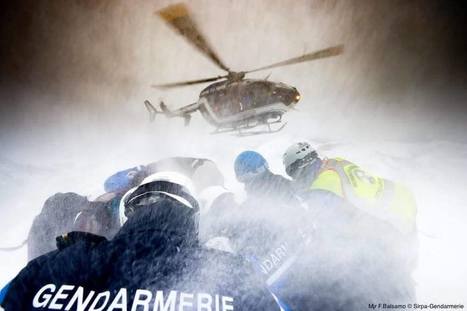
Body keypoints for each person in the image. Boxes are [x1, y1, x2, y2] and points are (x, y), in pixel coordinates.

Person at [0, 171, 280, 311]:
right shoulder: (233, 273)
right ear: (192, 216)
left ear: (129, 212)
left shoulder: (67, 262)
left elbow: (8, 296)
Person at [282, 141, 418, 305]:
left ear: (300, 167)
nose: (295, 179)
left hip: (388, 229)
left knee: (379, 284)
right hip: (400, 206)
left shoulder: (321, 190)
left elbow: (330, 240)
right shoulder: (333, 164)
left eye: (293, 174)